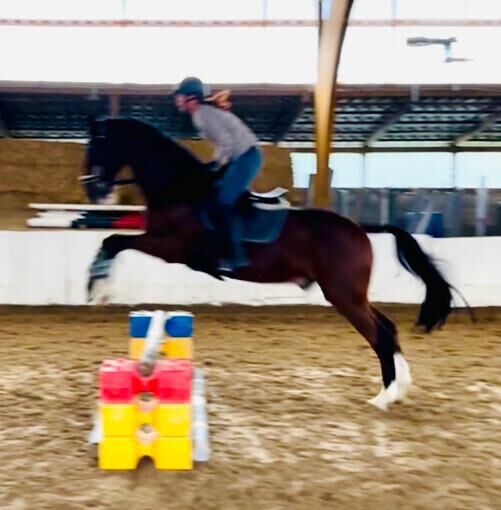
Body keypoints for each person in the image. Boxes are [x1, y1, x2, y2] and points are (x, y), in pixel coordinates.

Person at [174, 76, 262, 272]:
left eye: (180, 96)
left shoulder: (202, 115)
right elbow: (223, 145)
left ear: (191, 98)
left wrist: (217, 165)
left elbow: (226, 144)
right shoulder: (201, 113)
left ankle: (236, 254)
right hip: (241, 156)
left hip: (246, 157)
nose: (177, 100)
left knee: (224, 200)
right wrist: (215, 164)